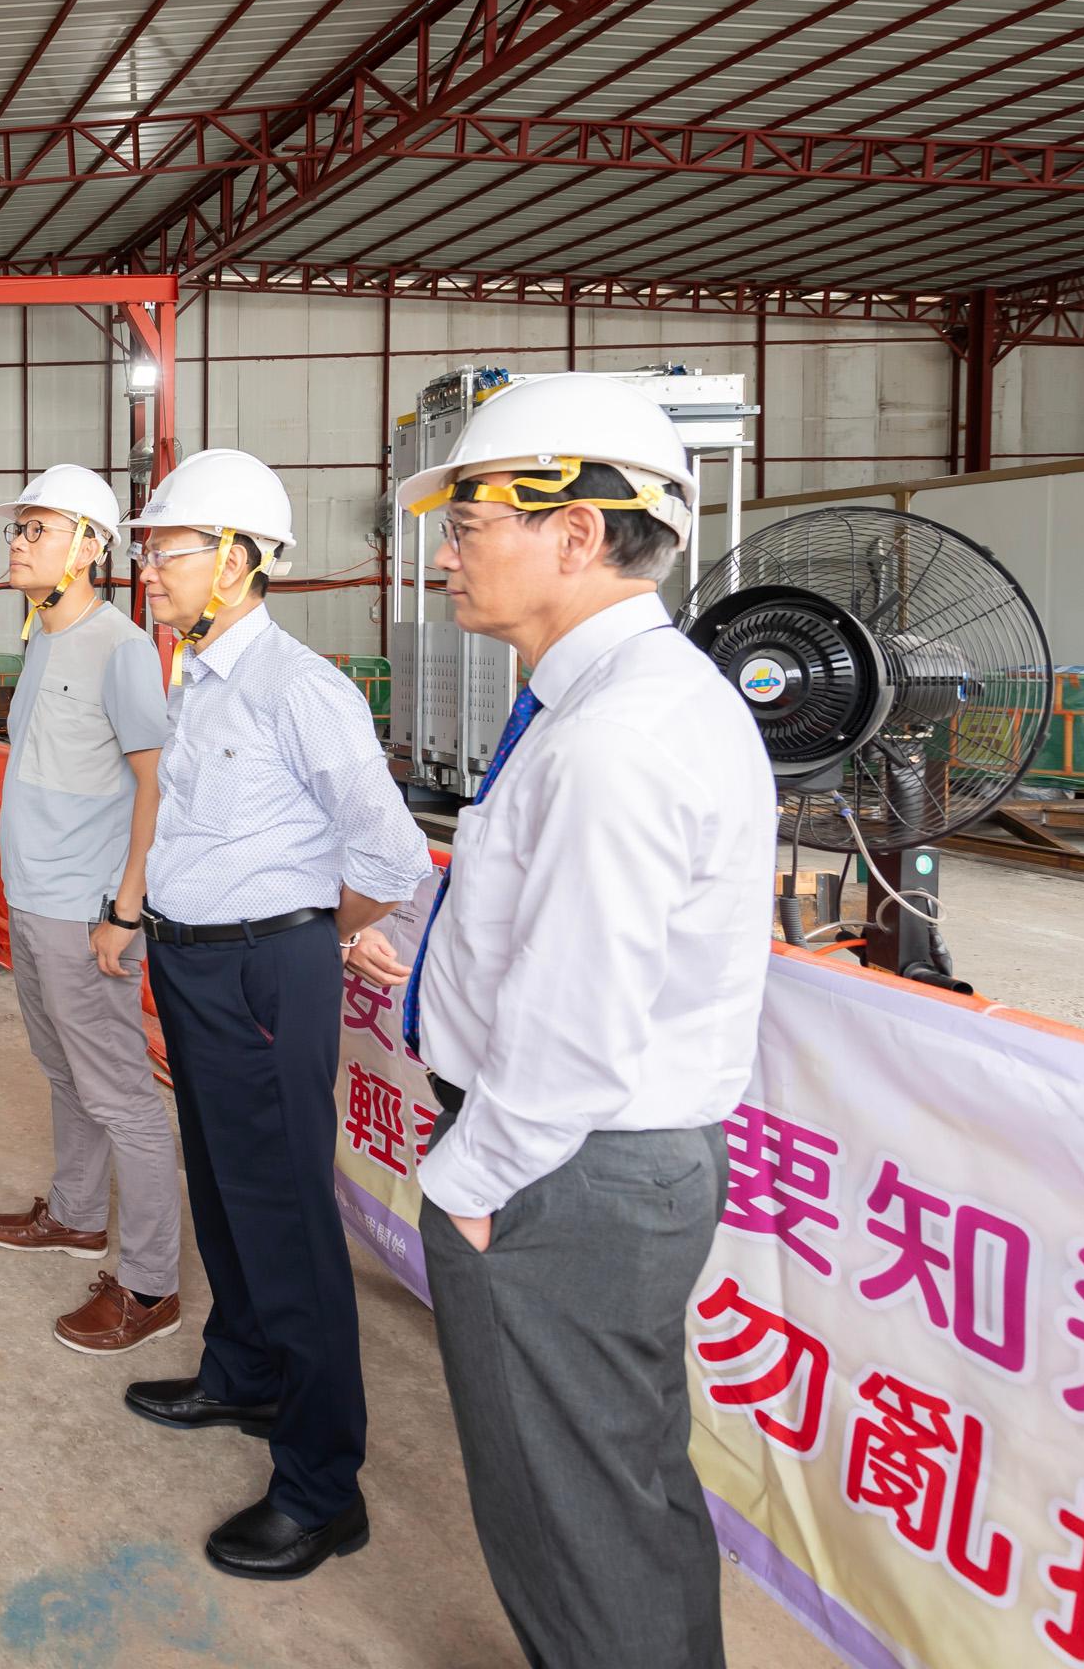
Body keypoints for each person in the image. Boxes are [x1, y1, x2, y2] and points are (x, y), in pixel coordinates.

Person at [377, 373, 773, 1669]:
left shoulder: (622, 735)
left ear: (578, 533)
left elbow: (578, 1021)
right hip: (579, 1161)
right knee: (617, 1490)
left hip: (559, 1169)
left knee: (567, 1518)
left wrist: (472, 1182)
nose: (447, 552)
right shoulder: (593, 703)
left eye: (471, 518)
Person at [120, 448, 431, 1583]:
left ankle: (320, 1485)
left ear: (239, 560)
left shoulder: (304, 688)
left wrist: (310, 923)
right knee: (223, 1183)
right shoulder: (194, 672)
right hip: (193, 965)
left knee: (289, 1218)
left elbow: (391, 855)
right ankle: (242, 1370)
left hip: (266, 973)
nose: (150, 567)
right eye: (151, 548)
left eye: (172, 549)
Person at [0, 465, 181, 1356]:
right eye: (17, 529)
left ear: (90, 546)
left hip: (85, 910)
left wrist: (124, 911)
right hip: (33, 897)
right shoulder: (43, 639)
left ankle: (149, 1283)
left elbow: (154, 784)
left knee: (122, 1095)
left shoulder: (120, 646)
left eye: (37, 529)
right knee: (63, 1070)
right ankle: (76, 1214)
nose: (17, 543)